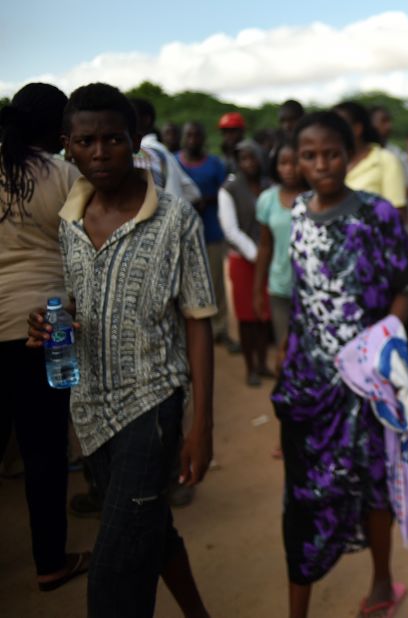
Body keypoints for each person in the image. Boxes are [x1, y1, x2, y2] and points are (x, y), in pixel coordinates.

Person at [27, 82, 215, 618]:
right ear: (67, 145)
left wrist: (201, 426)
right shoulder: (68, 219)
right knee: (148, 528)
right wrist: (48, 320)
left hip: (152, 403)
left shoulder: (175, 218)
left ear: (136, 141)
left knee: (115, 570)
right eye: (87, 142)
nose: (101, 152)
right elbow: (79, 301)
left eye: (114, 139)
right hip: (89, 407)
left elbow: (199, 321)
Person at [270, 111, 408, 618]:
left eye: (331, 153)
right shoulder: (298, 215)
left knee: (374, 484)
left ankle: (381, 582)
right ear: (296, 160)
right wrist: (289, 370)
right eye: (309, 155)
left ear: (348, 151)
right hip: (310, 386)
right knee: (303, 498)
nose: (322, 164)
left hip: (366, 382)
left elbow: (404, 290)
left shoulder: (377, 214)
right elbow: (304, 303)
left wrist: (380, 354)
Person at [0, 82, 90, 592]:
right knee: (44, 450)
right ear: (59, 129)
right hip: (46, 323)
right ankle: (50, 560)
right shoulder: (64, 174)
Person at [178, 121, 239, 353]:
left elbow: (225, 193)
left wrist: (207, 200)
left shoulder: (215, 163)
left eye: (197, 135)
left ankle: (220, 328)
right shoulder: (174, 162)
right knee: (185, 283)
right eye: (189, 135)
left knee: (216, 282)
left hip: (211, 230)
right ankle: (189, 333)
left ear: (203, 138)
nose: (192, 139)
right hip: (183, 235)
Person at [217, 139, 272, 386]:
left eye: (254, 157)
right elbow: (230, 230)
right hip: (244, 260)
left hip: (271, 260)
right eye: (244, 159)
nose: (250, 163)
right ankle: (250, 367)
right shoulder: (228, 189)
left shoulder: (269, 186)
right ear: (238, 162)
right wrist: (256, 254)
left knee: (265, 315)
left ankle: (262, 363)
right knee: (247, 317)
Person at [254, 140, 306, 349]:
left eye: (295, 163)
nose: (289, 169)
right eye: (283, 163)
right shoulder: (267, 199)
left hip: (311, 287)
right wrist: (257, 290)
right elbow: (265, 246)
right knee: (284, 348)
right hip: (280, 285)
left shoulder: (316, 198)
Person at [333, 101, 407, 213]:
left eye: (340, 126)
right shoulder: (330, 163)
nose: (333, 132)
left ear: (357, 129)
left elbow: (397, 213)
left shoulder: (386, 160)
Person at [129, 98, 201, 205]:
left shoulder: (141, 152)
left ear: (146, 119)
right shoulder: (163, 152)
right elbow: (193, 193)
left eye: (129, 115)